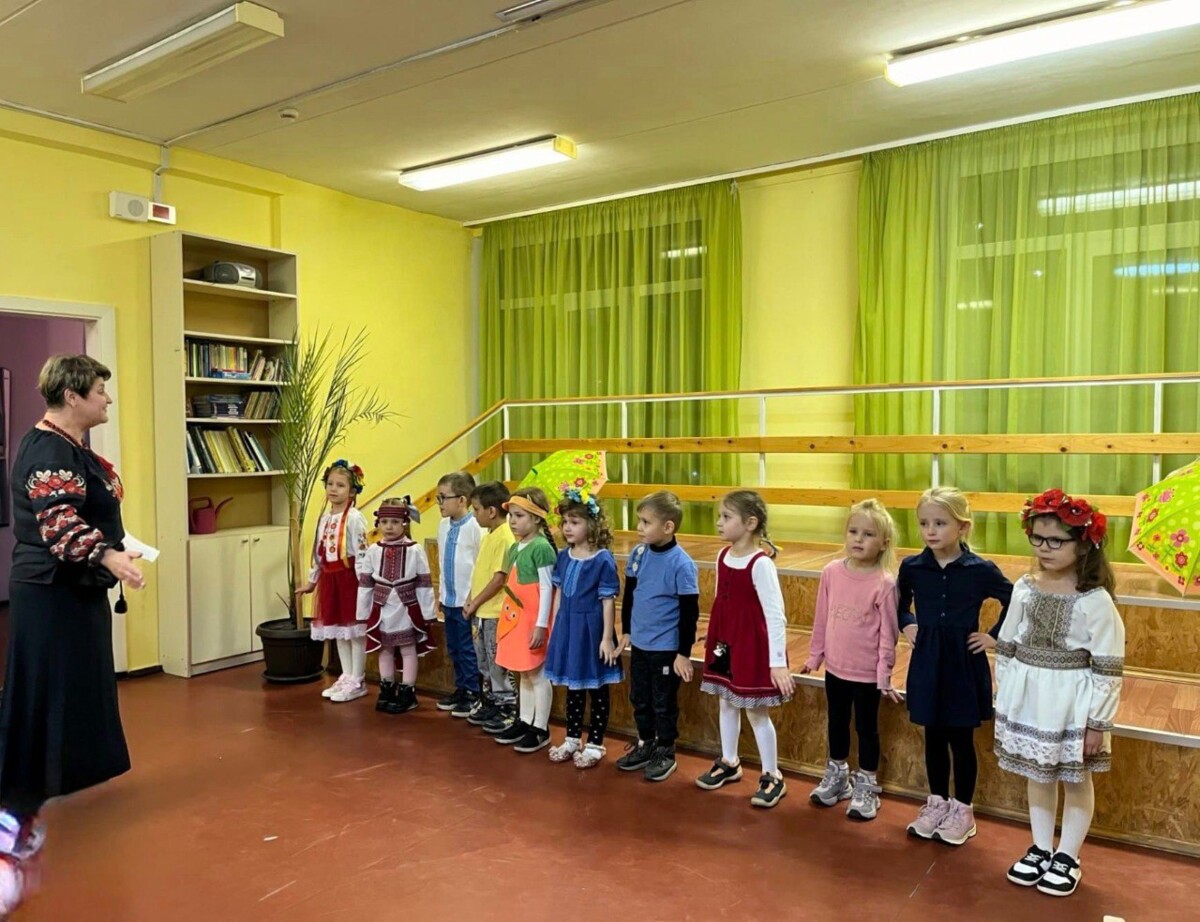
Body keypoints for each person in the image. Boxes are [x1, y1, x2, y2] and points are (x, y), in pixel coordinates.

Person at [0, 355, 145, 915]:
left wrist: (118, 546)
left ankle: (56, 783)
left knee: (77, 689)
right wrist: (109, 555)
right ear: (72, 394)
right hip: (50, 593)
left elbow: (91, 510)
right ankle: (15, 814)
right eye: (100, 390)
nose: (107, 399)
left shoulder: (73, 448)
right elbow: (59, 524)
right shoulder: (47, 450)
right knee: (43, 694)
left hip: (76, 590)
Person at [994, 490, 1124, 897]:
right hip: (1030, 697)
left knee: (1075, 778)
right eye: (1037, 538)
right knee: (1038, 772)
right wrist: (1006, 694)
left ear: (1083, 543)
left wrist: (1097, 723)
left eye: (1055, 540)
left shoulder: (1094, 600)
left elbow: (1108, 665)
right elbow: (1008, 643)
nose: (1044, 548)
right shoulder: (1025, 587)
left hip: (1071, 703)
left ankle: (1068, 855)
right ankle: (1040, 846)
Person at [899, 486, 1013, 846]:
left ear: (962, 527)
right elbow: (899, 602)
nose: (930, 531)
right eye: (924, 523)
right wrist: (907, 623)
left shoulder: (981, 570)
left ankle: (963, 811)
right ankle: (937, 803)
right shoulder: (913, 567)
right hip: (928, 660)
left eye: (940, 523)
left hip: (964, 662)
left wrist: (993, 636)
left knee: (961, 739)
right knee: (933, 734)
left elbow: (1014, 599)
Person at [694, 491, 794, 808]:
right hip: (726, 644)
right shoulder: (722, 555)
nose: (718, 522)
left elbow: (775, 615)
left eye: (726, 517)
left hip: (752, 646)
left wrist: (777, 662)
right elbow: (722, 601)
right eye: (720, 516)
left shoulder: (760, 564)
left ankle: (772, 775)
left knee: (755, 711)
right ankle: (729, 761)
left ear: (750, 523)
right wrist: (714, 634)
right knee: (726, 701)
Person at [803, 498, 901, 821]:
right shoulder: (831, 572)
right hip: (836, 669)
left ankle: (867, 785)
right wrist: (815, 654)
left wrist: (884, 673)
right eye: (853, 531)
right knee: (837, 722)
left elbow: (888, 633)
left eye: (868, 534)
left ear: (884, 542)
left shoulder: (885, 583)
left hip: (867, 675)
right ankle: (838, 775)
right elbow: (822, 617)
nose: (859, 539)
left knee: (866, 728)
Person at [614, 491, 700, 783]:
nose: (639, 527)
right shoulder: (638, 554)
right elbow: (630, 595)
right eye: (639, 520)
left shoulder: (682, 564)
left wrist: (683, 653)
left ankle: (665, 749)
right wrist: (627, 630)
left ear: (668, 527)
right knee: (640, 697)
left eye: (646, 522)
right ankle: (646, 742)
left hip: (665, 648)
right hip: (640, 644)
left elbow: (689, 613)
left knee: (663, 702)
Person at [544, 489, 623, 769]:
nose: (567, 527)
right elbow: (558, 594)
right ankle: (572, 738)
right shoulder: (564, 556)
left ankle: (595, 743)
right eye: (565, 521)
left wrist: (606, 638)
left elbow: (607, 601)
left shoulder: (602, 559)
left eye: (574, 522)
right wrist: (556, 628)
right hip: (569, 628)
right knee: (573, 686)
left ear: (592, 524)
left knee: (596, 687)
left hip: (591, 630)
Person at [296, 460, 369, 702]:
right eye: (330, 484)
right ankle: (346, 676)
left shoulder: (355, 518)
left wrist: (364, 584)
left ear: (352, 491)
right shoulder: (325, 519)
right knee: (339, 631)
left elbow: (362, 552)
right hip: (330, 580)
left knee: (355, 631)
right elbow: (319, 554)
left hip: (350, 580)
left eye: (340, 485)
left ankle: (358, 679)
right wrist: (312, 581)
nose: (333, 489)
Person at [493, 488, 558, 753]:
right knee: (523, 671)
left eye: (519, 515)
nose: (512, 521)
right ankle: (524, 720)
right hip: (516, 617)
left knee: (537, 673)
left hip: (533, 619)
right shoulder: (515, 546)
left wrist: (541, 625)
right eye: (511, 515)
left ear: (537, 518)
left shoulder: (541, 548)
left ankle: (540, 727)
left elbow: (546, 588)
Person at [358, 496, 435, 715]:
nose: (389, 527)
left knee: (408, 648)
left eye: (394, 522)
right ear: (378, 523)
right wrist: (362, 612)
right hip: (382, 608)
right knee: (385, 648)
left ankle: (408, 692)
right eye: (384, 522)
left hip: (406, 608)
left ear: (405, 523)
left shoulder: (414, 550)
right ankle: (387, 689)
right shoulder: (373, 550)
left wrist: (428, 613)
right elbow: (365, 583)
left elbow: (424, 582)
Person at [463, 481, 516, 732]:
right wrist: (470, 598)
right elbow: (480, 573)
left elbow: (498, 579)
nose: (474, 514)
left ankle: (507, 706)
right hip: (481, 612)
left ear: (492, 511)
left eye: (476, 509)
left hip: (494, 612)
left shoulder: (505, 537)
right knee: (483, 660)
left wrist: (475, 602)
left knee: (497, 662)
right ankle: (491, 701)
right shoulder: (489, 536)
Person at [434, 471, 484, 718]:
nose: (439, 503)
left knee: (467, 648)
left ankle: (474, 692)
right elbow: (443, 562)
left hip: (468, 601)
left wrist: (472, 598)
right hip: (449, 599)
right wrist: (442, 595)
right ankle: (462, 688)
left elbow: (480, 566)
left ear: (462, 500)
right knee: (454, 647)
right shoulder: (443, 526)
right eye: (438, 498)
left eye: (443, 497)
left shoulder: (476, 527)